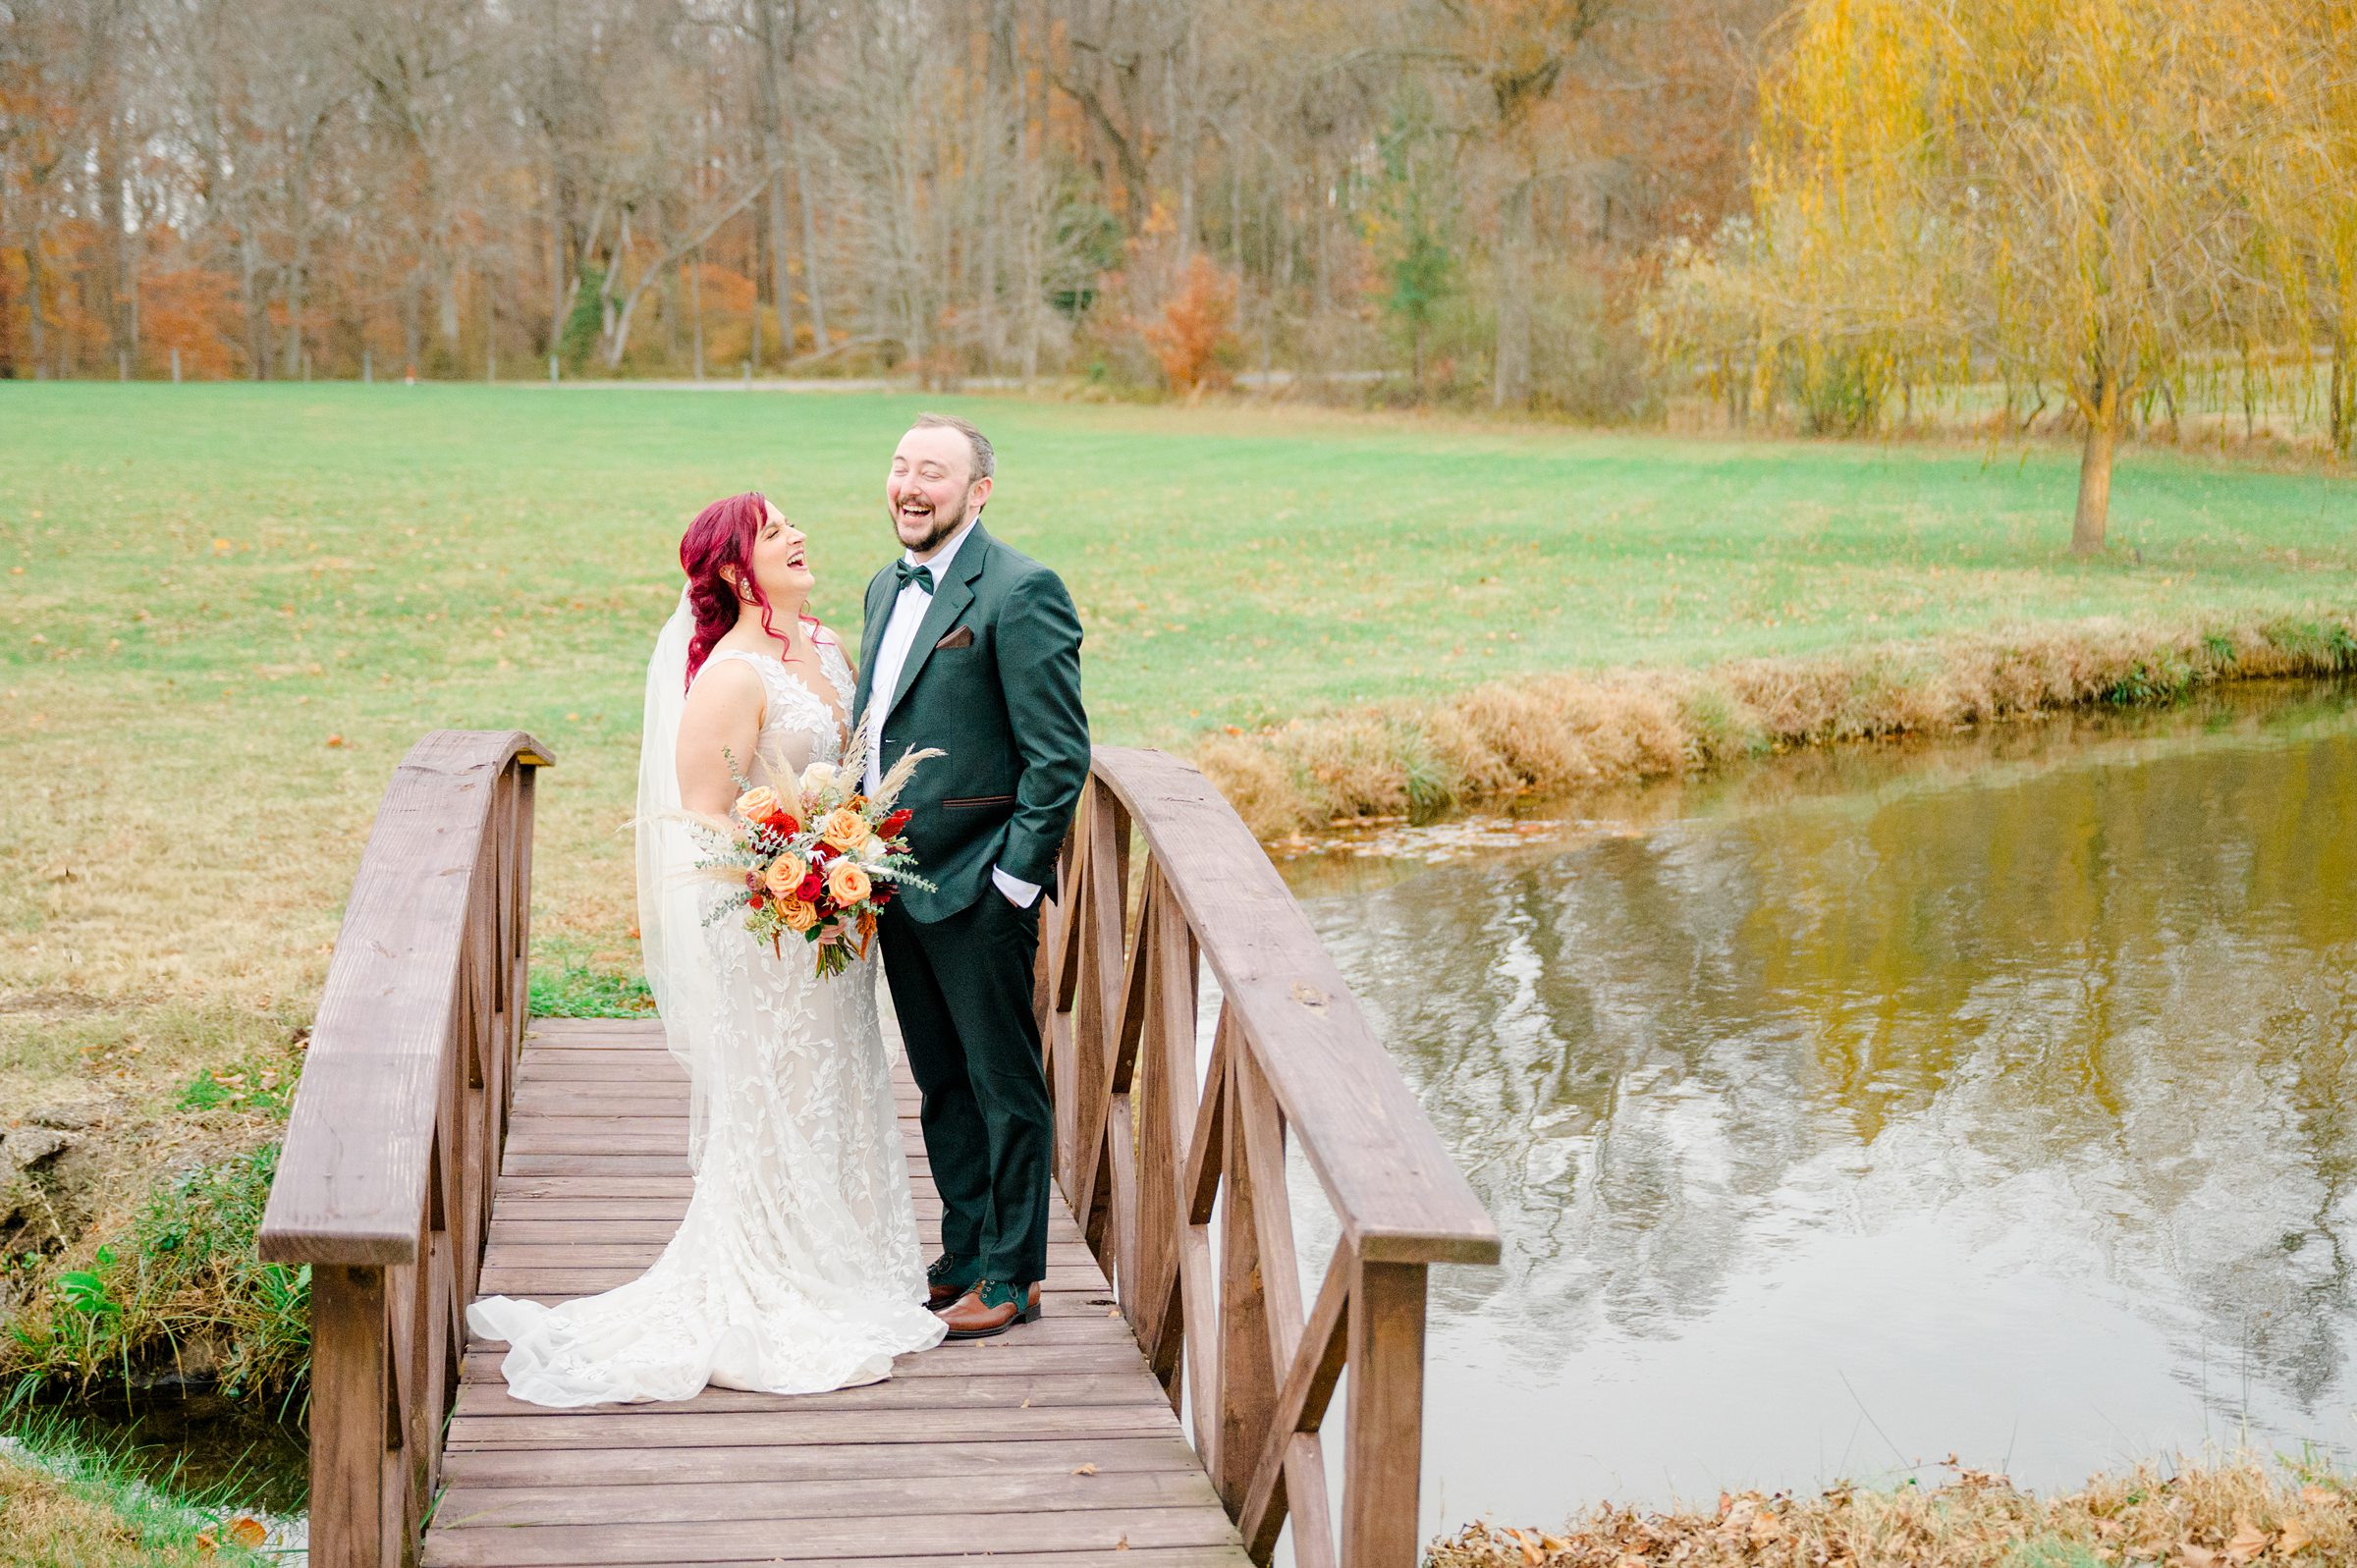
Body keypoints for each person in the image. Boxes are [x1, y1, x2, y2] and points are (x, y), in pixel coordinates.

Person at [466, 491, 946, 1405]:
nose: (799, 536)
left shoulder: (834, 646)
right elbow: (701, 814)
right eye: (775, 533)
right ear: (734, 569)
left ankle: (849, 1268)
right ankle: (772, 1276)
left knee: (839, 1083)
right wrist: (788, 879)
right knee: (778, 1093)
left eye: (793, 524)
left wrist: (849, 856)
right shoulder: (729, 674)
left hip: (839, 922)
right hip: (772, 927)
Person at [853, 412, 1090, 1340]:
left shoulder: (1022, 591)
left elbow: (1058, 756)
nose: (912, 486)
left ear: (977, 492)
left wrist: (1016, 884)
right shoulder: (884, 584)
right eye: (902, 465)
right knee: (942, 1081)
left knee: (1004, 1084)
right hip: (892, 883)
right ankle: (961, 1252)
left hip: (980, 884)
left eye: (935, 473)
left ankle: (1014, 1272)